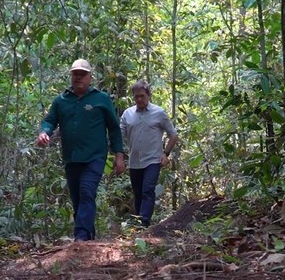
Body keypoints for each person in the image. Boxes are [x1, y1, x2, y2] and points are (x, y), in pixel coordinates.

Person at [37, 59, 125, 241]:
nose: (78, 77)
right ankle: (88, 238)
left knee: (87, 191)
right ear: (71, 76)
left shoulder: (101, 99)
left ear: (90, 77)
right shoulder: (61, 101)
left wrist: (119, 155)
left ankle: (81, 237)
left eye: (82, 74)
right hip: (71, 157)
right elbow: (50, 120)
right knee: (78, 199)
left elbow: (114, 128)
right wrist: (44, 132)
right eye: (75, 74)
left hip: (95, 157)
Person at [120, 80, 180, 227]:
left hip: (153, 160)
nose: (139, 99)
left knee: (148, 189)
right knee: (138, 193)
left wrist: (166, 153)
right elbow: (119, 136)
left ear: (148, 95)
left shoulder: (159, 113)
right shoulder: (127, 114)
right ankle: (140, 226)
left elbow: (173, 134)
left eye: (142, 96)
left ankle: (143, 222)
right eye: (136, 97)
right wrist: (119, 157)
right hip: (135, 161)